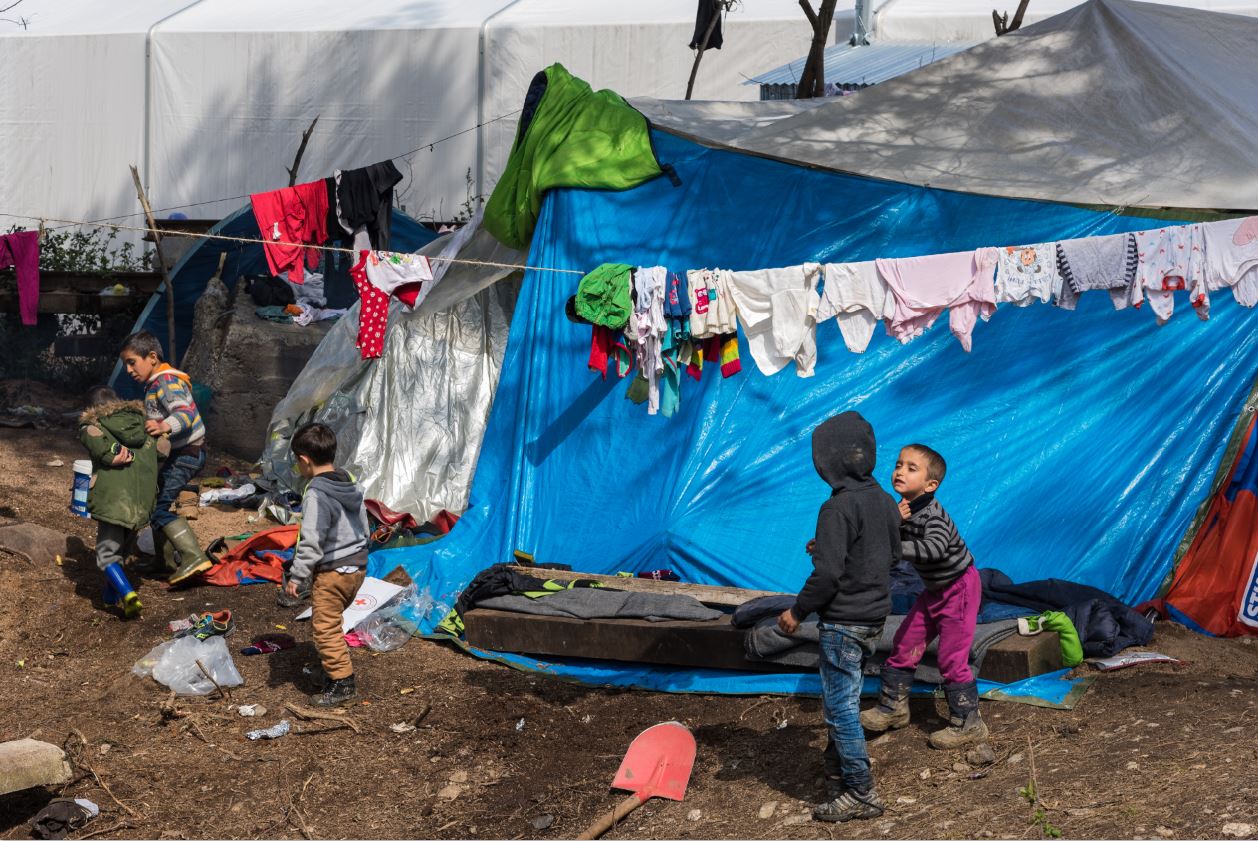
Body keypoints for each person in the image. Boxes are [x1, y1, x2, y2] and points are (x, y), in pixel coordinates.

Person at [777, 411, 901, 822]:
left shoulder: (837, 508)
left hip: (844, 623)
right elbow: (890, 554)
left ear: (826, 463)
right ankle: (836, 773)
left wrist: (797, 611)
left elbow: (828, 575)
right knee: (843, 697)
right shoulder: (884, 500)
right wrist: (829, 547)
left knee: (840, 707)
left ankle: (861, 792)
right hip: (874, 618)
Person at [860, 444, 989, 749]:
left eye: (911, 468)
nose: (900, 471)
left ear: (931, 485)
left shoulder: (933, 515)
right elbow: (879, 535)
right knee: (906, 642)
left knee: (951, 658)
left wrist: (893, 544)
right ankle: (893, 708)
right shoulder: (901, 508)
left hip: (959, 589)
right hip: (934, 590)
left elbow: (934, 549)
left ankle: (969, 723)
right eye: (898, 464)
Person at [283, 422, 369, 707]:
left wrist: (297, 575)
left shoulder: (316, 493)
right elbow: (364, 524)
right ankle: (331, 667)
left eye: (297, 462)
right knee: (332, 621)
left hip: (333, 573)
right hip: (356, 568)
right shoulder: (349, 482)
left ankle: (343, 682)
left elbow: (311, 539)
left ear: (304, 460)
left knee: (325, 627)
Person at [118, 330, 211, 585]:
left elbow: (185, 413)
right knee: (156, 503)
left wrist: (164, 426)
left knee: (159, 510)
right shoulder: (155, 384)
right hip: (180, 454)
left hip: (187, 453)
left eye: (131, 362)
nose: (128, 370)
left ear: (151, 357)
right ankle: (164, 561)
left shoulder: (167, 381)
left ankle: (193, 556)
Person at [77, 386, 165, 619]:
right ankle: (109, 596)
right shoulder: (145, 424)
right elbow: (163, 451)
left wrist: (110, 456)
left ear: (93, 408)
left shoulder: (93, 426)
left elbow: (98, 446)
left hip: (113, 501)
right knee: (122, 551)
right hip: (141, 502)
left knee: (106, 555)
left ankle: (127, 594)